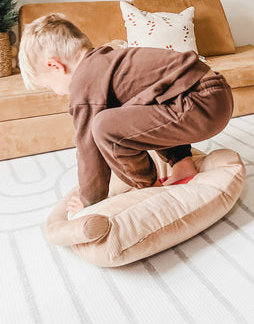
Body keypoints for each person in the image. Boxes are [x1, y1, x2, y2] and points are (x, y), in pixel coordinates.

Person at [18, 13, 234, 215]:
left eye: (49, 87)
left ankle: (151, 190)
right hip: (211, 95)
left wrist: (90, 199)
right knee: (135, 114)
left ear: (55, 66)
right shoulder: (108, 61)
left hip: (201, 104)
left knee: (103, 127)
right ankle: (182, 164)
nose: (56, 93)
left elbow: (88, 147)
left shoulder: (83, 81)